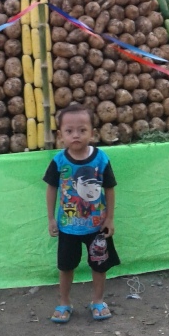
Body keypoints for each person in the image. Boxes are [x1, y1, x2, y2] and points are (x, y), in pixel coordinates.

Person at [43, 103, 119, 324]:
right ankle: (64, 303)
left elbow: (110, 188)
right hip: (68, 227)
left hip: (97, 227)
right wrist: (51, 219)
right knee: (66, 266)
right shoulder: (59, 161)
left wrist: (110, 218)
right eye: (69, 131)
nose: (75, 135)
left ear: (93, 133)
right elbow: (51, 189)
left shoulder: (101, 159)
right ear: (61, 135)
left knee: (99, 265)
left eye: (82, 130)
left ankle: (98, 301)